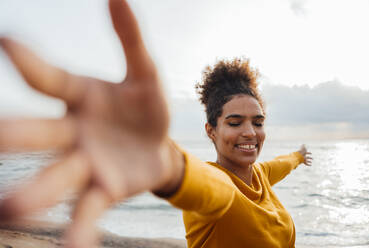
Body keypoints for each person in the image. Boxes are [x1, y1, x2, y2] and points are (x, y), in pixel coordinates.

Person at [0, 0, 312, 248]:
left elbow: (280, 164)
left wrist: (298, 156)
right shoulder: (216, 190)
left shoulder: (260, 175)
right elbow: (206, 187)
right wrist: (167, 164)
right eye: (234, 122)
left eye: (258, 122)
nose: (250, 132)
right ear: (211, 130)